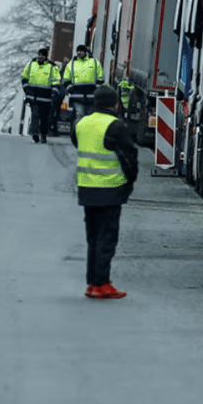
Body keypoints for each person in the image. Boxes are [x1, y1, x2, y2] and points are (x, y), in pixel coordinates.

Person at [75, 85, 139, 299]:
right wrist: (129, 182)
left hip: (86, 188)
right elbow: (129, 156)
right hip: (110, 189)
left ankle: (92, 282)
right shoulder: (114, 126)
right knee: (107, 238)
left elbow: (78, 143)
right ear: (114, 103)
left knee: (93, 239)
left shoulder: (81, 123)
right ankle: (102, 283)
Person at [20, 47, 61, 143]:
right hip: (33, 95)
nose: (39, 57)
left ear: (46, 57)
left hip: (46, 97)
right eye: (39, 54)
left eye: (42, 55)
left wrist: (53, 93)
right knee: (35, 114)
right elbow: (24, 77)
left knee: (44, 117)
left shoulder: (52, 67)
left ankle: (43, 134)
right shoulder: (31, 64)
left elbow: (56, 81)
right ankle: (35, 133)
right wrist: (26, 90)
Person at [62, 45, 105, 133]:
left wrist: (96, 90)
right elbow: (66, 80)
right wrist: (71, 90)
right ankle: (78, 134)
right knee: (80, 114)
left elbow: (101, 79)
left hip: (91, 96)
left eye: (81, 51)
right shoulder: (71, 64)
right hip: (77, 96)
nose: (79, 53)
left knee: (89, 116)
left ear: (86, 52)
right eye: (78, 51)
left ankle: (87, 134)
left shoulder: (95, 63)